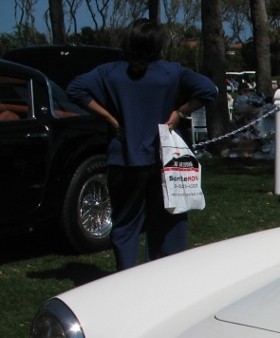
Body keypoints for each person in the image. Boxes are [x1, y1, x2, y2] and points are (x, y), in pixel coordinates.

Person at [67, 18, 216, 271]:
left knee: (125, 224)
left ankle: (127, 278)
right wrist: (180, 112)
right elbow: (208, 90)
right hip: (165, 160)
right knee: (170, 221)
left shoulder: (109, 72)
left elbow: (75, 89)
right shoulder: (172, 72)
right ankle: (166, 275)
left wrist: (110, 118)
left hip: (123, 158)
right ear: (158, 45)